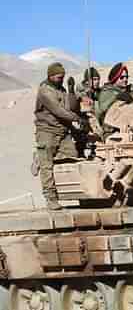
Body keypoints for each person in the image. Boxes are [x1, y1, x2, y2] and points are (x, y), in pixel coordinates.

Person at [33, 62, 83, 210]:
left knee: (72, 157)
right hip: (47, 131)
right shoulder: (45, 91)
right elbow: (58, 111)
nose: (61, 79)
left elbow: (71, 108)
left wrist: (71, 90)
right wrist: (78, 119)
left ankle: (68, 189)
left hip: (62, 131)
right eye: (58, 77)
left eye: (62, 77)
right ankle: (51, 198)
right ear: (50, 76)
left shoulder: (61, 89)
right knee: (47, 166)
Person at [96, 63, 133, 129]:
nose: (125, 80)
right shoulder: (106, 91)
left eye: (126, 77)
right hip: (110, 129)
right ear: (115, 78)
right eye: (121, 77)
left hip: (127, 126)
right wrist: (116, 97)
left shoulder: (127, 90)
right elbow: (102, 108)